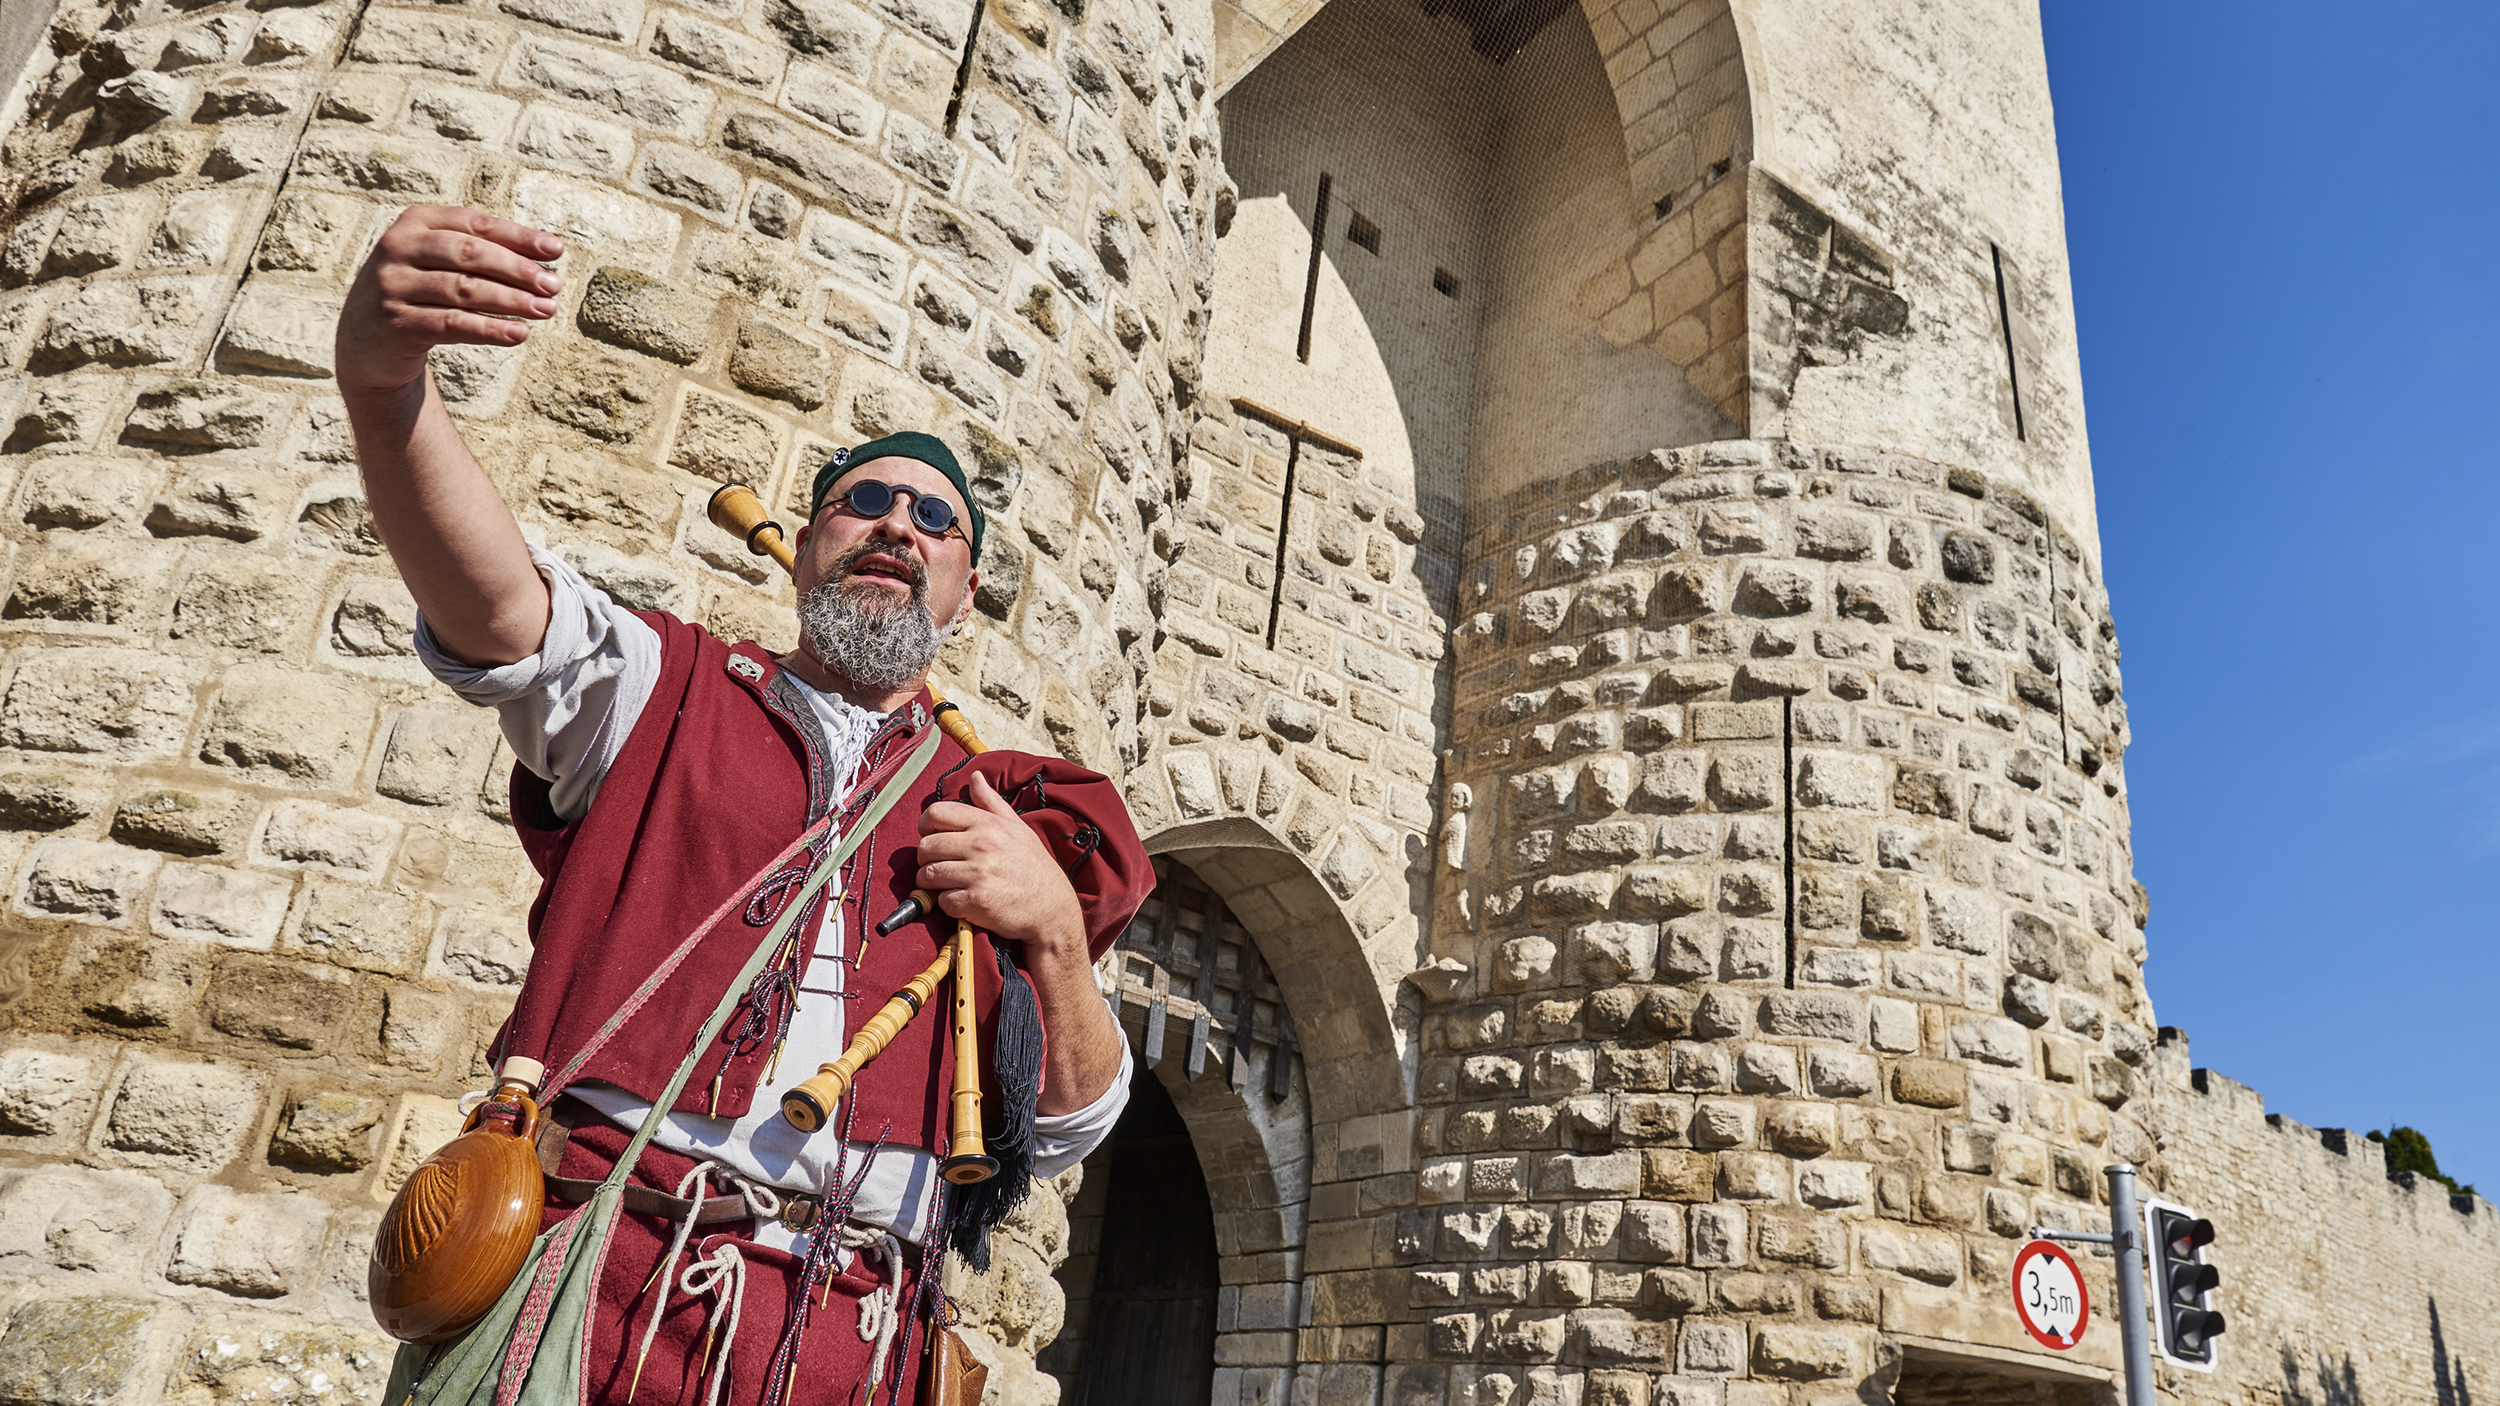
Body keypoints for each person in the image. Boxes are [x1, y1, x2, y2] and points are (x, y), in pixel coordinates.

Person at [336, 205, 1151, 1406]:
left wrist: (1057, 930)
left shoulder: (1004, 808)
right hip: (602, 1276)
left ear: (962, 595)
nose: (897, 527)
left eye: (935, 520)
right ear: (809, 547)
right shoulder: (660, 687)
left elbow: (1071, 1125)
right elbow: (494, 602)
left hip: (854, 1336)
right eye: (863, 502)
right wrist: (382, 380)